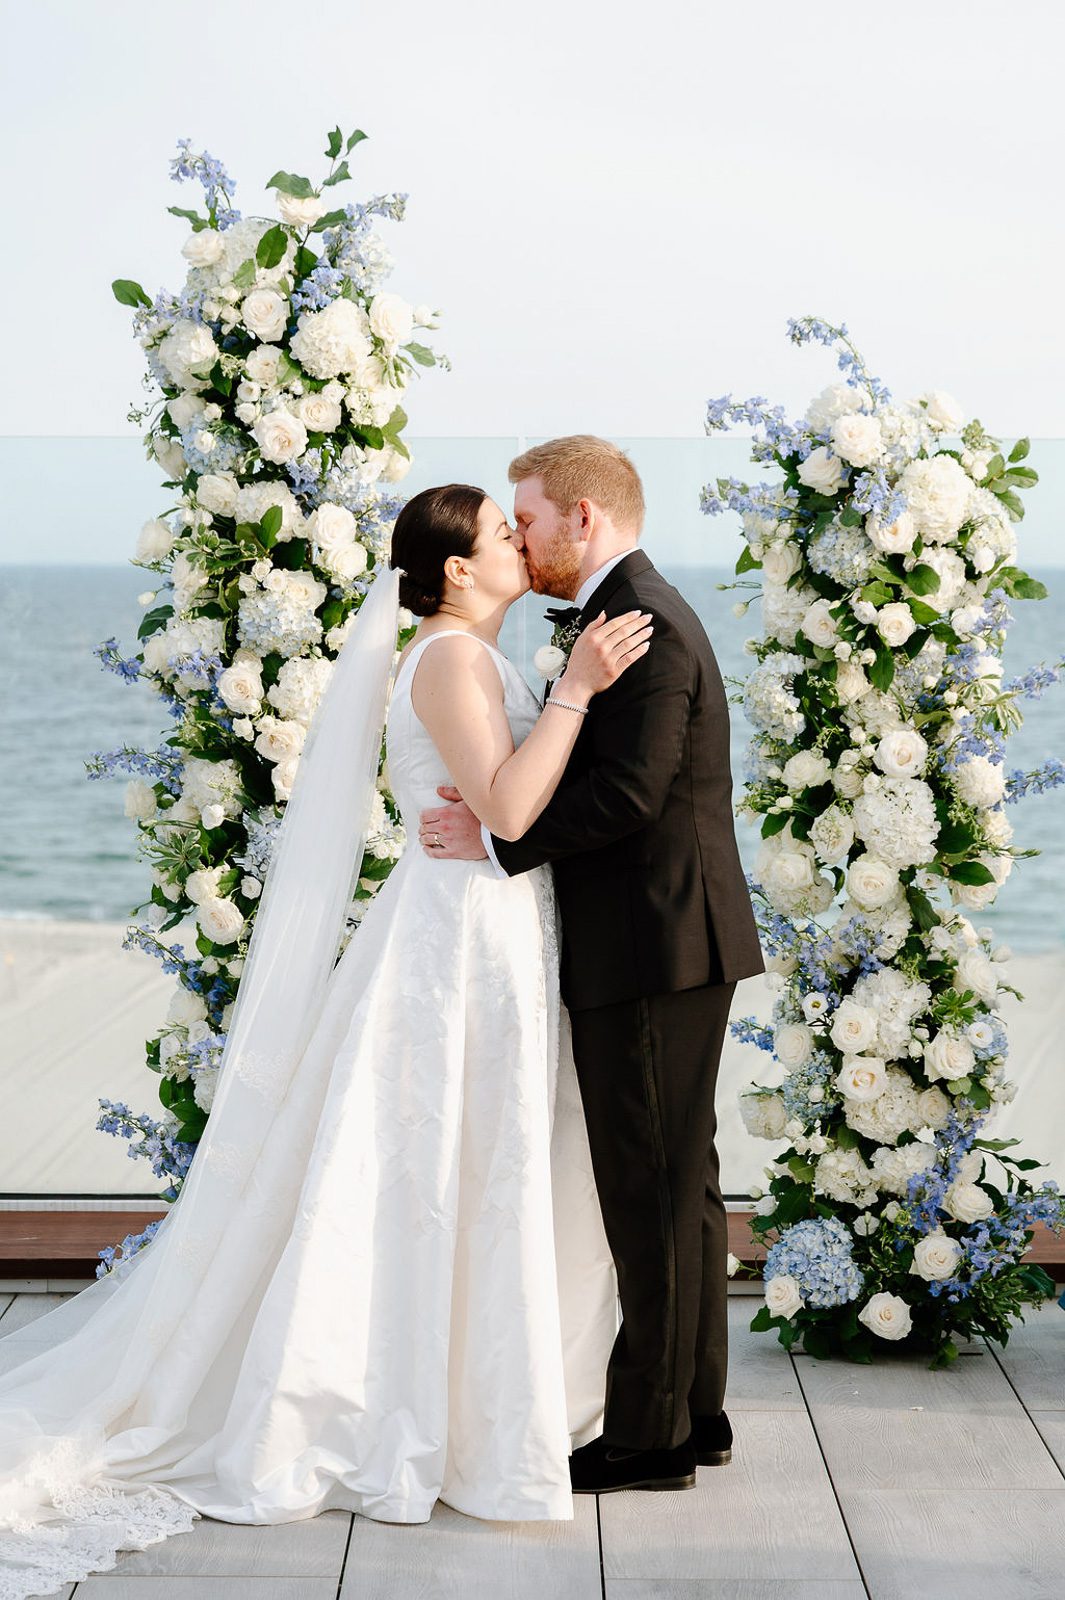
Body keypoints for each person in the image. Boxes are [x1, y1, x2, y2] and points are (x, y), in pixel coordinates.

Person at [0, 484, 654, 1598]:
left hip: (489, 933)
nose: (518, 544)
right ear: (453, 569)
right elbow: (503, 807)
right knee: (433, 1169)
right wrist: (583, 694)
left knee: (467, 1164)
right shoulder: (449, 658)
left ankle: (463, 1399)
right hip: (453, 944)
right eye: (503, 533)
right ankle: (396, 1407)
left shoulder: (473, 658)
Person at [418, 436, 766, 1495]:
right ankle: (695, 1415)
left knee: (650, 1190)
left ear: (584, 517)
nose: (519, 536)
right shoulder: (626, 613)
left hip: (655, 942)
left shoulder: (641, 624)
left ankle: (649, 1438)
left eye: (527, 518)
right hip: (666, 936)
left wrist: (496, 838)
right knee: (683, 1185)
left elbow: (632, 797)